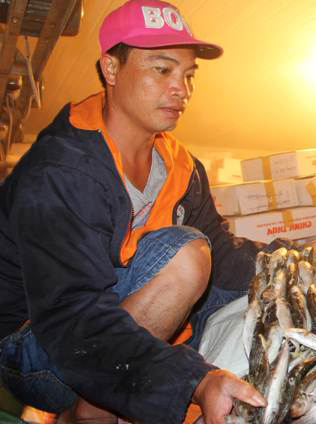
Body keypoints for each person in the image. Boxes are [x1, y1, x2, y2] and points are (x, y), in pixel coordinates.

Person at [0, 1, 283, 423]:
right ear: (111, 69)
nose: (181, 89)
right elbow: (72, 315)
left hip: (114, 323)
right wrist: (194, 381)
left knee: (255, 293)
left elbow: (224, 255)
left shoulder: (179, 165)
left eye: (188, 75)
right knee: (186, 256)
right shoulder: (60, 172)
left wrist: (298, 260)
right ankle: (91, 413)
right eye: (162, 70)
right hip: (42, 346)